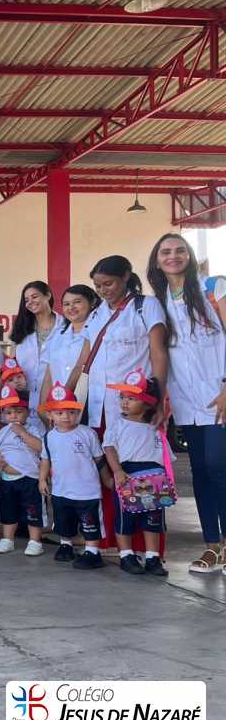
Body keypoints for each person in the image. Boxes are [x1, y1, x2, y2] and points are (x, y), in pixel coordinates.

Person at [68, 255, 168, 551]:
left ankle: (147, 549)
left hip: (135, 410)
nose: (103, 290)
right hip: (100, 407)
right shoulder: (97, 313)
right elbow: (84, 359)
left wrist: (159, 398)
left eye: (108, 284)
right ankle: (109, 541)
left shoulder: (146, 306)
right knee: (107, 475)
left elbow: (159, 352)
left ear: (126, 277)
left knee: (141, 476)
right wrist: (67, 394)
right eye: (98, 286)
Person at [146, 233, 226, 575]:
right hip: (186, 401)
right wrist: (161, 400)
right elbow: (160, 355)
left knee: (218, 466)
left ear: (190, 255)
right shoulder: (159, 302)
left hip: (219, 396)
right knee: (201, 472)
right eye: (165, 252)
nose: (173, 256)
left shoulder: (213, 287)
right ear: (157, 260)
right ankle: (212, 546)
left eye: (180, 250)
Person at [102, 372, 169, 577]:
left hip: (154, 478)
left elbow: (165, 456)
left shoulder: (155, 427)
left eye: (131, 398)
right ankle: (126, 555)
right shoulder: (117, 425)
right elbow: (109, 448)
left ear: (147, 403)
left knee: (153, 519)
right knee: (125, 518)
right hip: (127, 476)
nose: (124, 402)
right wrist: (117, 471)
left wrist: (166, 478)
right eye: (122, 397)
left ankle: (152, 557)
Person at [38, 384, 107, 570]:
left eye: (71, 412)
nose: (66, 417)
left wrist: (107, 478)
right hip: (61, 490)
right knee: (63, 521)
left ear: (78, 412)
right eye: (59, 413)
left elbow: (99, 459)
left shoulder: (87, 433)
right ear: (50, 415)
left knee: (90, 523)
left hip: (87, 491)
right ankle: (66, 545)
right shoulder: (49, 437)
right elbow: (45, 460)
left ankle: (92, 552)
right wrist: (42, 479)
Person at [0, 386, 45, 556]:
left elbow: (41, 448)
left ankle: (35, 541)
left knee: (33, 510)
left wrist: (23, 433)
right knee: (8, 509)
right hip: (8, 478)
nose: (14, 416)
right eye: (9, 413)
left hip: (30, 478)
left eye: (18, 412)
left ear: (27, 412)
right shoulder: (3, 432)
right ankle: (7, 539)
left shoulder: (33, 430)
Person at [38, 285, 99, 416]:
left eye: (77, 302)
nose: (71, 307)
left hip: (86, 406)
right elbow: (48, 376)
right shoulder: (57, 334)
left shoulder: (97, 333)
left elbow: (81, 368)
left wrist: (63, 401)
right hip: (57, 409)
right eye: (66, 304)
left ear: (92, 303)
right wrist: (43, 408)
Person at [10, 282, 60, 426]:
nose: (31, 302)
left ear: (48, 295)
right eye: (26, 300)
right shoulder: (21, 327)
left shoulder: (65, 327)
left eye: (35, 297)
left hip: (56, 399)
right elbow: (13, 363)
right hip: (24, 401)